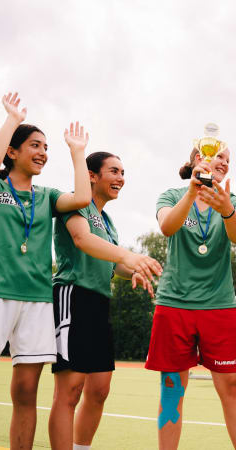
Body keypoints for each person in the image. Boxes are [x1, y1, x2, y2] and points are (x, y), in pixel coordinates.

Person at [0, 92, 92, 449]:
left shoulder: (48, 196)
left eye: (46, 147)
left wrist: (77, 152)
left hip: (38, 302)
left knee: (26, 393)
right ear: (13, 151)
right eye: (35, 145)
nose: (42, 152)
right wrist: (12, 119)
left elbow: (83, 198)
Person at [48, 151, 162, 450]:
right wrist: (128, 255)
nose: (121, 178)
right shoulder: (76, 203)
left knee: (99, 391)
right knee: (69, 391)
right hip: (73, 297)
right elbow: (82, 240)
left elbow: (115, 265)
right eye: (114, 171)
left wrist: (134, 269)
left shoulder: (107, 220)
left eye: (123, 172)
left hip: (99, 303)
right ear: (92, 176)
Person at [145, 146, 236, 450]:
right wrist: (192, 193)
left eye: (227, 160)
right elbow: (167, 227)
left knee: (232, 388)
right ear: (198, 159)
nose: (223, 162)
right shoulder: (171, 195)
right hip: (174, 304)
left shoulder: (231, 200)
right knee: (171, 389)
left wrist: (226, 209)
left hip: (218, 306)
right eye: (218, 155)